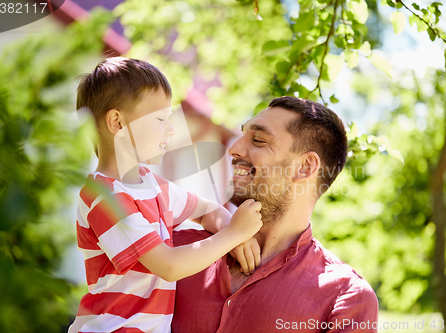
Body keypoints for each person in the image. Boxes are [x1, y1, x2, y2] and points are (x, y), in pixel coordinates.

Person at [68, 57, 262, 333]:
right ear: (117, 123)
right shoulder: (104, 198)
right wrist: (232, 236)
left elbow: (207, 209)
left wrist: (234, 229)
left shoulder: (152, 185)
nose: (171, 129)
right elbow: (169, 266)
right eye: (160, 119)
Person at [172, 96, 379, 332]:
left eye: (258, 140)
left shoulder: (344, 297)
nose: (233, 149)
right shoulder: (173, 249)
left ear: (305, 167)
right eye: (243, 134)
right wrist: (212, 215)